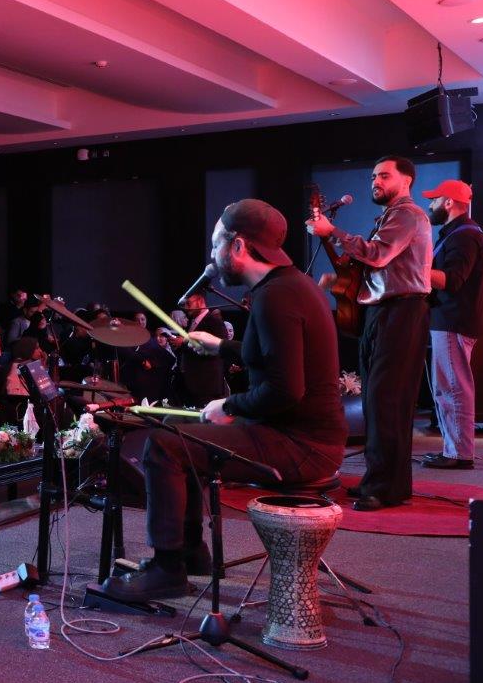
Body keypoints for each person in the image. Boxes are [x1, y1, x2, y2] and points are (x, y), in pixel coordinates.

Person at [104, 200, 347, 600]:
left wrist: (228, 406)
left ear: (238, 245)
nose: (212, 255)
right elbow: (273, 357)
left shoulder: (275, 298)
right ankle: (190, 552)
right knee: (177, 430)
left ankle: (167, 569)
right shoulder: (290, 286)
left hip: (301, 445)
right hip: (301, 434)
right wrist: (221, 347)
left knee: (164, 445)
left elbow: (286, 391)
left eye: (215, 243)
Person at [307, 156, 432, 511]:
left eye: (384, 176)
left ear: (406, 180)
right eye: (373, 176)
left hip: (401, 311)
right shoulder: (391, 216)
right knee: (378, 400)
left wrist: (333, 233)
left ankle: (384, 487)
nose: (375, 181)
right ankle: (385, 481)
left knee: (386, 400)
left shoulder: (408, 214)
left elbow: (377, 256)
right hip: (385, 311)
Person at [419, 180, 483, 469]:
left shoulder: (465, 236)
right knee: (447, 388)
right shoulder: (458, 234)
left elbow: (452, 280)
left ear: (449, 202)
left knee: (452, 388)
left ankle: (459, 454)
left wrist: (414, 267)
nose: (430, 205)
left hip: (453, 321)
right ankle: (454, 450)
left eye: (434, 199)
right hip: (450, 321)